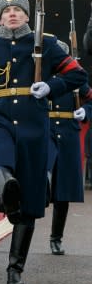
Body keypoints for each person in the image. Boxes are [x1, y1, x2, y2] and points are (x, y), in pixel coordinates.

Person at [0, 0, 86, 284]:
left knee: (29, 201)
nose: (12, 14)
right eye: (6, 11)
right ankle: (7, 196)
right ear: (0, 17)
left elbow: (78, 76)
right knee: (0, 162)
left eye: (18, 10)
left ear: (28, 16)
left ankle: (15, 269)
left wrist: (50, 86)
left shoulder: (47, 44)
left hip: (33, 125)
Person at [46, 40, 90, 256]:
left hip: (67, 132)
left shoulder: (75, 79)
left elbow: (91, 99)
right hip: (44, 131)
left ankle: (56, 237)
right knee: (38, 182)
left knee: (62, 190)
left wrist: (86, 111)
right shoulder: (40, 76)